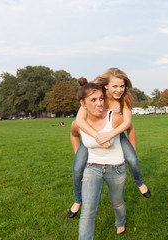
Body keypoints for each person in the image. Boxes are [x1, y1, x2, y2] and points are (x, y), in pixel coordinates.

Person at [68, 69, 150, 218]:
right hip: (92, 134)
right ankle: (78, 200)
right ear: (106, 85)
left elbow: (128, 123)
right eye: (115, 86)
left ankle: (139, 183)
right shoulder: (96, 95)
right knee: (77, 169)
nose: (119, 90)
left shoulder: (124, 98)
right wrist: (98, 137)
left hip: (116, 133)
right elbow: (79, 121)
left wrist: (110, 135)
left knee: (132, 160)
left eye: (122, 86)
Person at [75, 81, 127, 238]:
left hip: (116, 169)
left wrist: (131, 155)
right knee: (88, 210)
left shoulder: (115, 118)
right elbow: (73, 134)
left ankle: (120, 221)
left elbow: (129, 128)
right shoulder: (79, 123)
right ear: (82, 104)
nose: (99, 103)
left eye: (101, 98)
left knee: (117, 203)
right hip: (92, 168)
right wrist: (78, 153)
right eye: (93, 100)